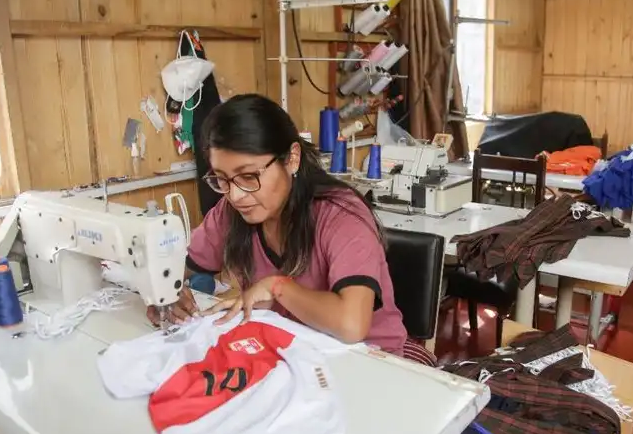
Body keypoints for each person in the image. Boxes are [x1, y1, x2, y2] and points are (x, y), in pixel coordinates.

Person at [146, 93, 436, 367]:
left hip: (373, 361)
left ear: (292, 158)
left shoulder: (341, 216)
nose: (235, 195)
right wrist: (163, 293)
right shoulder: (231, 211)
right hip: (296, 353)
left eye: (249, 177)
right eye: (222, 179)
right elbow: (175, 268)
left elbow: (351, 325)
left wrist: (277, 286)